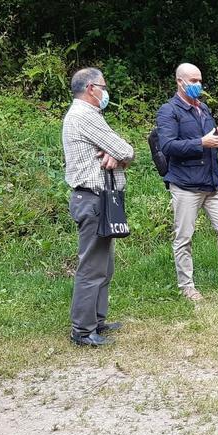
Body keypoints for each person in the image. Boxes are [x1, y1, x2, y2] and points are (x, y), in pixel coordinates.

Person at [155, 63, 218, 301]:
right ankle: (186, 285)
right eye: (193, 81)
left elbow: (209, 140)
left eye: (199, 81)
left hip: (213, 182)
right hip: (186, 184)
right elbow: (168, 146)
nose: (198, 85)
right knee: (184, 236)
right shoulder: (169, 111)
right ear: (180, 82)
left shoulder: (204, 108)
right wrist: (202, 143)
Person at [62, 67, 135, 346]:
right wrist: (118, 154)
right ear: (91, 88)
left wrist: (115, 156)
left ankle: (97, 321)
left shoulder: (85, 115)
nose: (106, 93)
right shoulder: (84, 115)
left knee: (104, 265)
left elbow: (120, 154)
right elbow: (127, 150)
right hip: (91, 199)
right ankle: (82, 331)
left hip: (99, 200)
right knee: (92, 267)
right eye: (103, 87)